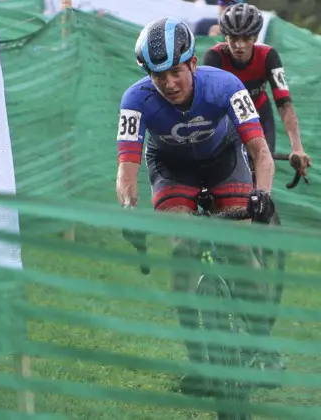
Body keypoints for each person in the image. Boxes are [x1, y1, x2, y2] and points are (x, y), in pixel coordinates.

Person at [115, 17, 285, 390]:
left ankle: (265, 349)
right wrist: (129, 210)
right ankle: (198, 363)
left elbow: (261, 152)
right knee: (181, 250)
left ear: (193, 63)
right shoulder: (135, 99)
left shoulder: (224, 85)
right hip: (172, 169)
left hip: (224, 160)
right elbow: (126, 170)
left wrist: (263, 193)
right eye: (159, 77)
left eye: (176, 72)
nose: (169, 84)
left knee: (240, 249)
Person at [203, 3, 312, 175]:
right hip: (227, 117)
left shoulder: (269, 56)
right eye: (233, 38)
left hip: (259, 114)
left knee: (261, 170)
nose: (239, 45)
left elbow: (284, 104)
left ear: (255, 37)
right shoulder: (214, 57)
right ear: (225, 37)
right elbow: (208, 106)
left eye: (246, 38)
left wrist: (297, 147)